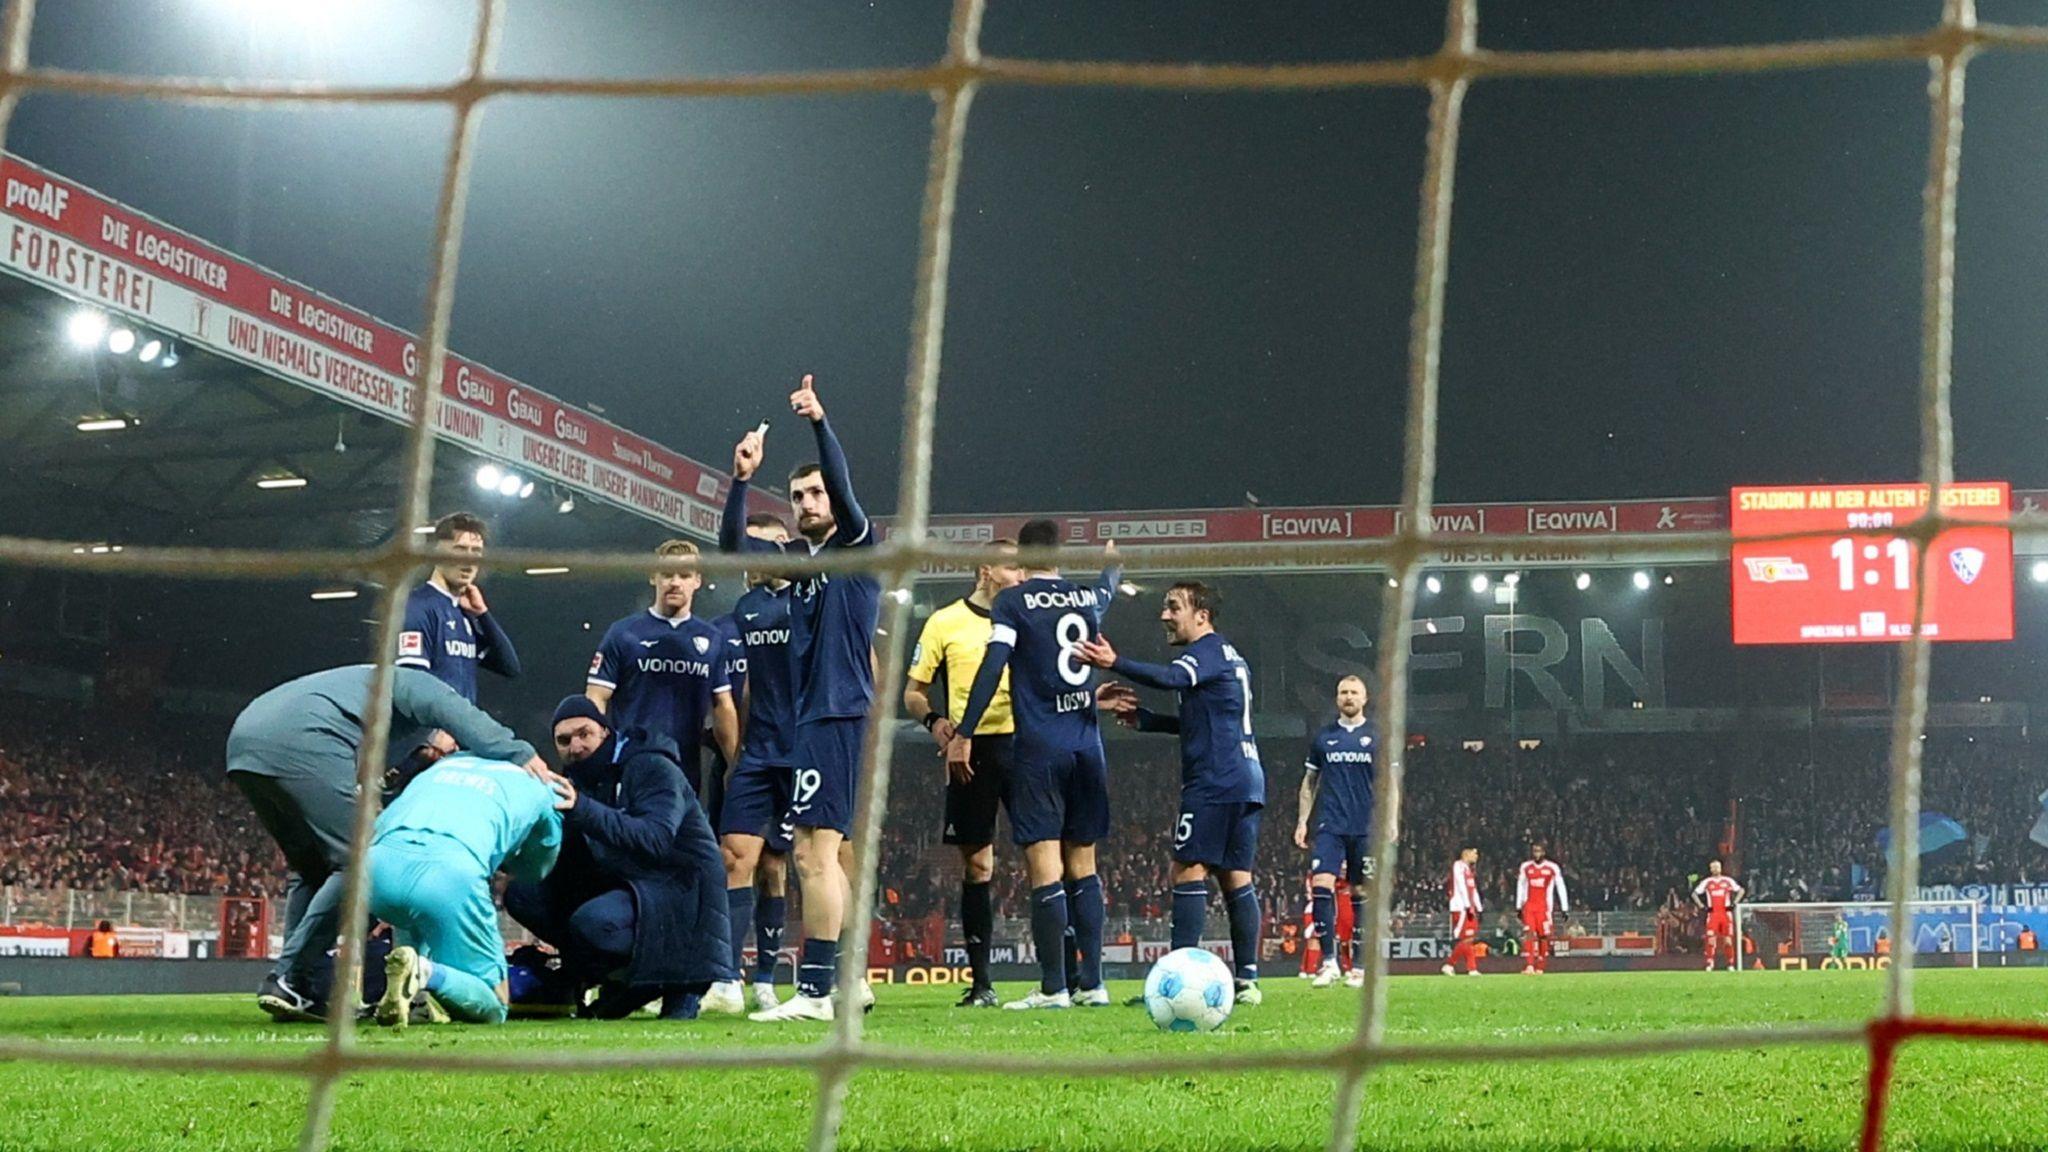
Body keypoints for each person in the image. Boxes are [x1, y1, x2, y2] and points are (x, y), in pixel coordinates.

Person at [225, 664, 544, 1021]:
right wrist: (522, 754)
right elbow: (462, 717)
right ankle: (290, 977)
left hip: (244, 744)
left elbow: (368, 776)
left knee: (312, 869)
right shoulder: (416, 683)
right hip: (303, 739)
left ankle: (304, 990)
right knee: (360, 861)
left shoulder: (362, 696)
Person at [721, 374, 882, 1023]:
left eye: (815, 492)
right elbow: (732, 549)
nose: (809, 501)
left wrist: (819, 421)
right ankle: (844, 982)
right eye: (797, 495)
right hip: (816, 716)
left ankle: (816, 991)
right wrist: (739, 480)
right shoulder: (800, 560)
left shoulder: (853, 546)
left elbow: (844, 489)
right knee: (820, 854)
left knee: (816, 855)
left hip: (834, 711)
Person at [947, 524, 1121, 1010]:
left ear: (1023, 558)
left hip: (1040, 748)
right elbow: (1108, 587)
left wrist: (964, 732)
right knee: (1084, 865)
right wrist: (1112, 561)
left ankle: (1054, 988)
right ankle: (1094, 983)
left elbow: (993, 664)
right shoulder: (1086, 597)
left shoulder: (1013, 603)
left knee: (1045, 866)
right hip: (1088, 748)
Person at [1082, 581, 1266, 1006]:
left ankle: (1177, 977)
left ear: (1201, 615)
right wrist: (1149, 721)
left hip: (1216, 779)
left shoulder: (1201, 654)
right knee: (1235, 876)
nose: (1165, 615)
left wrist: (1115, 661)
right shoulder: (1227, 656)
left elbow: (1169, 678)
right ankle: (1248, 981)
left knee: (1186, 870)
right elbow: (1207, 723)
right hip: (1247, 775)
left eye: (1173, 607)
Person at [503, 696, 740, 1020]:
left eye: (584, 734)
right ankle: (595, 979)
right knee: (523, 893)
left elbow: (655, 839)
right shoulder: (577, 781)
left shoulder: (652, 766)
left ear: (604, 732)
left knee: (594, 923)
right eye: (564, 740)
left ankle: (674, 984)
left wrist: (582, 809)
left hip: (681, 890)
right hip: (631, 885)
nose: (575, 746)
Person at [904, 538, 1026, 1007]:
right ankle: (982, 983)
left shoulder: (1023, 618)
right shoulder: (945, 622)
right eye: (1011, 568)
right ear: (985, 571)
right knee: (978, 865)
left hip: (1022, 744)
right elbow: (914, 691)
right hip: (970, 751)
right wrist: (935, 721)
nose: (1019, 576)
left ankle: (1063, 980)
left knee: (1043, 856)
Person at [368, 753, 564, 1026]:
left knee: (410, 920)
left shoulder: (443, 766)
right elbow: (535, 871)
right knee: (495, 1005)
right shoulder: (543, 785)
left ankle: (413, 999)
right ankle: (425, 974)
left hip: (375, 865)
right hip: (450, 874)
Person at [585, 539, 740, 800]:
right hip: (631, 764)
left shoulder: (712, 639)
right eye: (667, 575)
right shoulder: (624, 633)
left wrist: (735, 764)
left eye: (684, 575)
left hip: (687, 769)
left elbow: (723, 705)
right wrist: (596, 753)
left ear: (697, 581)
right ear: (653, 577)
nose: (675, 582)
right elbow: (596, 697)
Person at [717, 512, 798, 1012]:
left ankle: (767, 978)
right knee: (734, 856)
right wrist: (739, 750)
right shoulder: (746, 609)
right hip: (757, 752)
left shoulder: (813, 602)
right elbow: (748, 688)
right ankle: (727, 978)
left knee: (775, 866)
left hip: (802, 752)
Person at [1294, 674, 1375, 990]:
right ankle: (1328, 962)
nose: (1348, 697)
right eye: (1343, 692)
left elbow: (1389, 784)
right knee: (1322, 886)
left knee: (1361, 894)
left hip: (1365, 827)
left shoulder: (1376, 737)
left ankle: (1359, 966)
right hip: (1330, 825)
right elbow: (1309, 782)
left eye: (1354, 692)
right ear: (1337, 698)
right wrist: (1303, 821)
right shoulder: (1324, 738)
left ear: (1364, 698)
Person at [395, 511, 521, 702]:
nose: (469, 561)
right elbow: (413, 684)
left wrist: (483, 614)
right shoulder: (416, 607)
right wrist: (436, 730)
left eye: (476, 551)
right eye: (460, 549)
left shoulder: (464, 614)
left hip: (459, 729)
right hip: (433, 730)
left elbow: (509, 667)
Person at [1515, 843, 1568, 975]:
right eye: (1534, 851)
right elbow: (1520, 886)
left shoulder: (1552, 867)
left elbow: (1560, 886)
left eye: (1539, 851)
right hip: (1529, 906)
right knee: (1529, 934)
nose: (1536, 854)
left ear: (1544, 852)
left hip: (1544, 908)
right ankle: (1529, 965)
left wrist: (1564, 907)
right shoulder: (1526, 867)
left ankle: (1541, 965)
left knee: (1543, 936)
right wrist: (1518, 905)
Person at [1693, 859, 1745, 972]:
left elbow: (1741, 890)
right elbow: (1694, 893)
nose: (1716, 869)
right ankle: (1709, 963)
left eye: (1718, 867)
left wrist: (1735, 902)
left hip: (1726, 914)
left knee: (1728, 941)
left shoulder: (1727, 881)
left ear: (1721, 868)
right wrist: (1701, 906)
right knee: (1711, 940)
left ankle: (1730, 964)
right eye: (1713, 867)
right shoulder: (1707, 882)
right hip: (1713, 915)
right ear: (1710, 869)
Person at [1444, 847, 1482, 976]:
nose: (1476, 856)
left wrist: (1478, 906)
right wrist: (1467, 905)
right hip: (1461, 907)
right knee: (1465, 938)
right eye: (1474, 853)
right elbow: (1460, 886)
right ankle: (1450, 964)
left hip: (1469, 907)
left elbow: (1473, 889)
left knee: (1469, 938)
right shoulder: (1458, 866)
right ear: (1466, 854)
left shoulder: (1468, 870)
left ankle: (1471, 968)